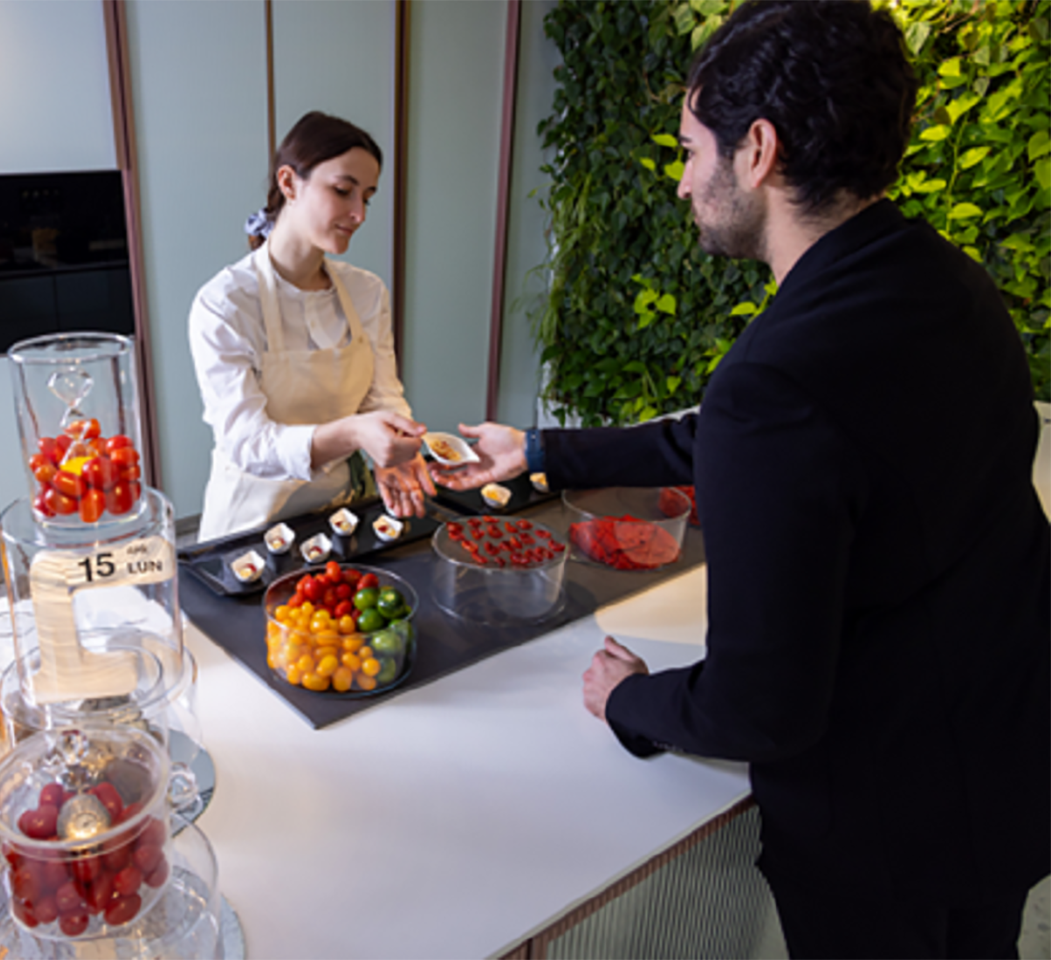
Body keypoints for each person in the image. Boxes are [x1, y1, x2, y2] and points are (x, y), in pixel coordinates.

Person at [432, 2, 1051, 956]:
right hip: (1009, 758)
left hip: (886, 822)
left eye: (690, 151)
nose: (683, 182)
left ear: (757, 151)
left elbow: (759, 704)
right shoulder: (946, 282)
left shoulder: (777, 378)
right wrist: (543, 451)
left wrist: (628, 700)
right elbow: (748, 439)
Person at [188, 111, 433, 542]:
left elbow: (382, 395)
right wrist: (355, 432)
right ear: (288, 183)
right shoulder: (225, 303)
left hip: (339, 515)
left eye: (367, 197)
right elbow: (248, 443)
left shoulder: (366, 292)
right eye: (342, 191)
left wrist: (395, 448)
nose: (359, 213)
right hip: (249, 528)